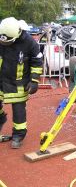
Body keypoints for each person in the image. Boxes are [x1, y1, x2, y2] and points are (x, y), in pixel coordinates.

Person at [0, 17, 43, 148]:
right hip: (1, 81)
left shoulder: (29, 43)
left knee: (18, 110)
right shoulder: (3, 36)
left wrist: (34, 81)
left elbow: (37, 61)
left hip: (18, 83)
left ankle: (18, 135)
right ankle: (1, 119)